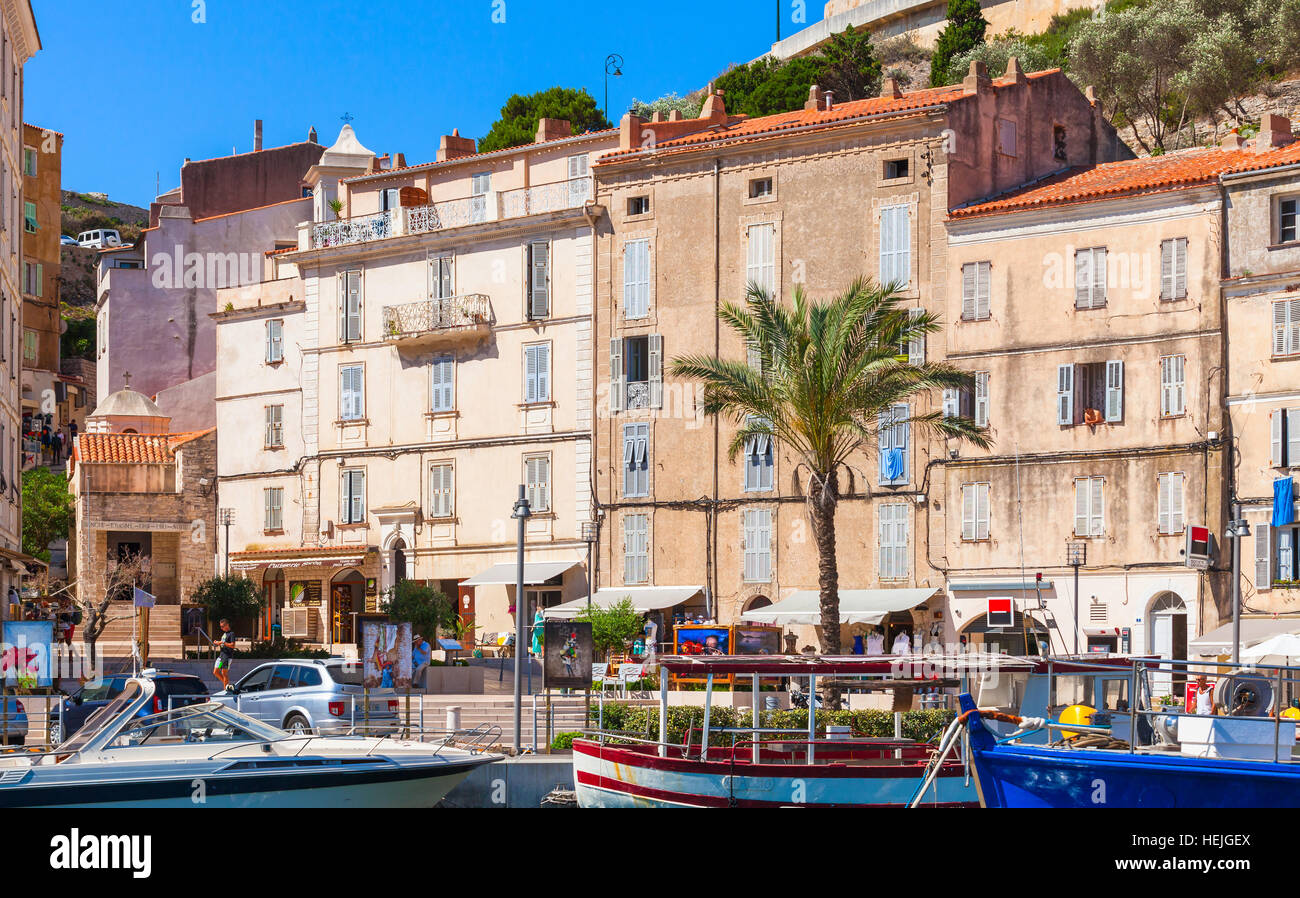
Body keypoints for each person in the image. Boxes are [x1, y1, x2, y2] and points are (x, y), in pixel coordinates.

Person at [213, 618, 235, 690]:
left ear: (227, 625)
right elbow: (222, 643)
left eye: (222, 626)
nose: (221, 628)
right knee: (216, 671)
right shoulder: (224, 634)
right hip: (221, 657)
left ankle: (226, 690)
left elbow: (232, 645)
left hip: (227, 657)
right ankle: (227, 685)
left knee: (224, 673)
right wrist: (217, 643)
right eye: (221, 626)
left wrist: (222, 643)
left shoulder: (231, 634)